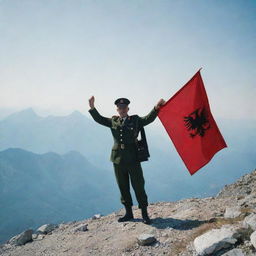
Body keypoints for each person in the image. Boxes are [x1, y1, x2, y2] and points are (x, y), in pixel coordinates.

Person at [88, 96, 165, 224]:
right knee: (123, 187)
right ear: (117, 109)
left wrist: (157, 107)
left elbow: (148, 119)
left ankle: (145, 214)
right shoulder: (113, 121)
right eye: (119, 108)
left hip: (133, 159)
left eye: (124, 108)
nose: (122, 110)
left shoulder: (135, 120)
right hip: (118, 160)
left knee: (139, 186)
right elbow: (99, 119)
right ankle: (128, 213)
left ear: (127, 108)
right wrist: (92, 107)